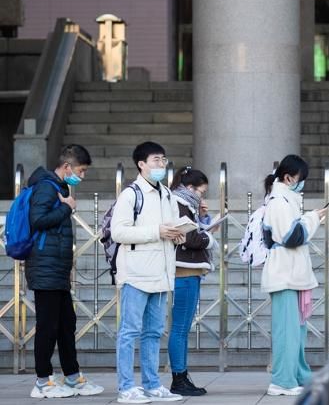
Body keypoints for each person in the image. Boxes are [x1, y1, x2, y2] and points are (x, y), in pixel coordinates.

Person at [26, 144, 104, 398]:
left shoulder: (57, 187)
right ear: (67, 166)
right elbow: (37, 221)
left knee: (66, 324)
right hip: (45, 268)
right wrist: (66, 207)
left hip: (56, 269)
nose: (81, 177)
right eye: (80, 171)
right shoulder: (46, 187)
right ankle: (42, 381)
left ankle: (72, 377)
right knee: (48, 326)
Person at [111, 141, 184, 404]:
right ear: (141, 164)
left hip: (162, 274)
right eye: (155, 160)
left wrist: (177, 235)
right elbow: (118, 231)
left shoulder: (167, 194)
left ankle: (153, 385)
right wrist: (157, 232)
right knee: (130, 331)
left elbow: (171, 227)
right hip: (136, 274)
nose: (161, 165)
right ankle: (126, 387)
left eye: (163, 160)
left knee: (153, 332)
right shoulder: (131, 194)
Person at [260, 155, 328, 396]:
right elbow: (291, 237)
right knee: (287, 333)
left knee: (296, 332)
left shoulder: (286, 199)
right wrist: (313, 218)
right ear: (289, 178)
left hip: (292, 273)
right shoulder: (279, 201)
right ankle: (282, 380)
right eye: (301, 180)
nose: (303, 184)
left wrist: (309, 218)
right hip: (284, 273)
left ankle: (298, 375)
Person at [168, 167, 217, 396]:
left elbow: (194, 232)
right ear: (190, 188)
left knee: (182, 328)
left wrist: (203, 218)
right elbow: (190, 237)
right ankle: (179, 378)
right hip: (184, 272)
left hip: (189, 271)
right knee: (180, 329)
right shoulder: (178, 204)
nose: (202, 196)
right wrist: (209, 237)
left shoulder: (186, 205)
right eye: (201, 191)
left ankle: (182, 376)